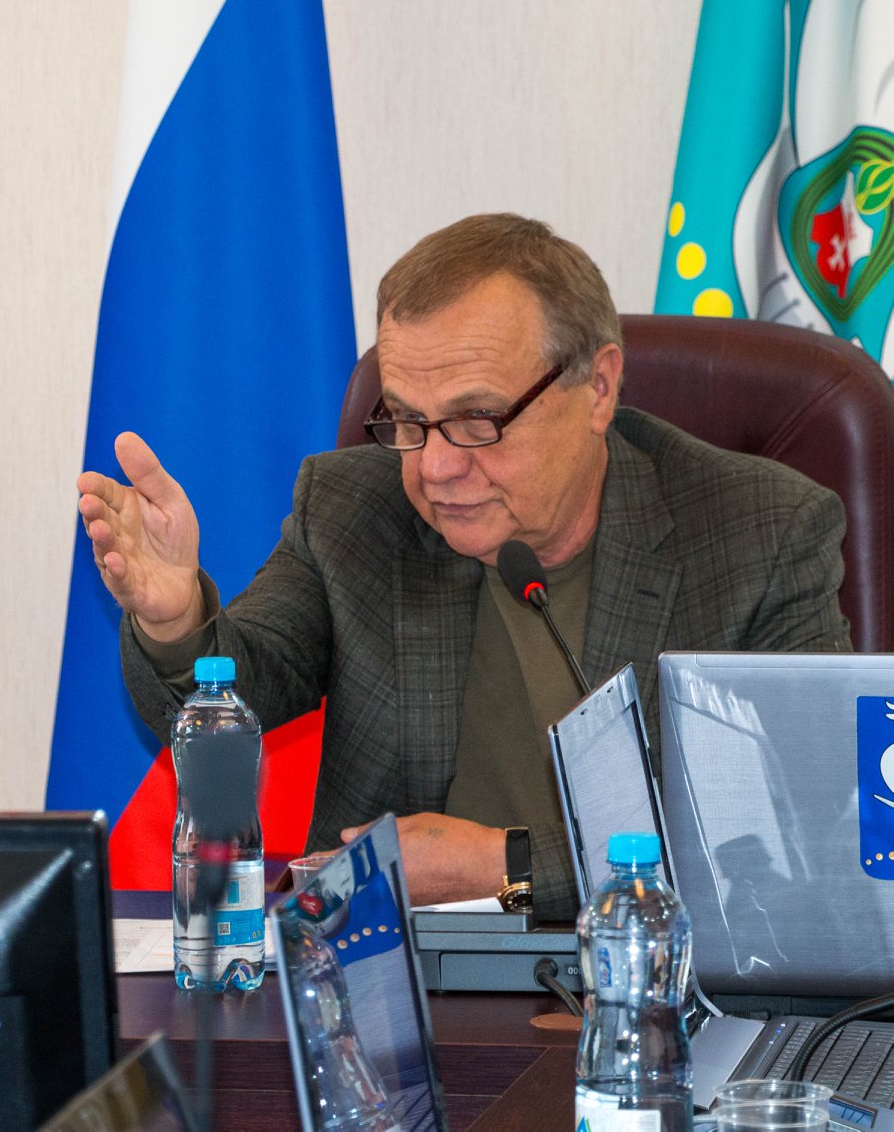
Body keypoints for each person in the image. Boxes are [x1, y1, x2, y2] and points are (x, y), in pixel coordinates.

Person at [78, 213, 850, 919]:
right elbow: (238, 695)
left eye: (477, 419)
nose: (435, 467)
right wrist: (175, 620)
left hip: (650, 985)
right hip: (394, 985)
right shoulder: (354, 509)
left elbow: (805, 834)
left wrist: (507, 865)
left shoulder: (759, 533)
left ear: (597, 388)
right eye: (407, 419)